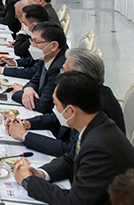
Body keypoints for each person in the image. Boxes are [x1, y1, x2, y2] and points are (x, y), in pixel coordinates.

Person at [13, 72, 134, 205]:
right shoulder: (96, 124)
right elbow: (70, 159)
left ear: (71, 110)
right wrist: (40, 174)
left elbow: (74, 201)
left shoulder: (98, 145)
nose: (55, 110)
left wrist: (29, 181)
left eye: (56, 105)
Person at [5, 48, 125, 157]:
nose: (59, 75)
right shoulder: (85, 92)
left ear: (80, 77)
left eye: (64, 71)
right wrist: (26, 123)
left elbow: (70, 150)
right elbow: (59, 117)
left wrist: (25, 136)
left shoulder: (98, 104)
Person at [10, 22, 67, 113]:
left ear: (53, 46)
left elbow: (43, 106)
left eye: (36, 42)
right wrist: (28, 89)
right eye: (31, 41)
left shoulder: (60, 68)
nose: (31, 46)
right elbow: (35, 79)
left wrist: (18, 93)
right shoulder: (46, 56)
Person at [0, 2, 48, 79]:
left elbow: (33, 71)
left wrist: (3, 70)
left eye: (24, 23)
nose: (22, 25)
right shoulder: (40, 34)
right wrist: (14, 62)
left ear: (33, 25)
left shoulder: (45, 38)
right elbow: (33, 60)